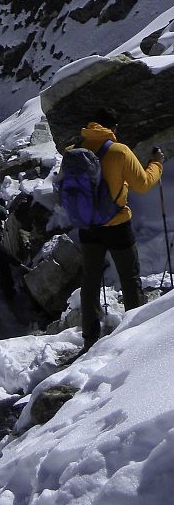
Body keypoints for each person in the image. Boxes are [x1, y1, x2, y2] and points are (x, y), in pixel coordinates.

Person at [72, 109, 164, 349]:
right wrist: (157, 164)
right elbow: (143, 184)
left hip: (88, 225)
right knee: (129, 277)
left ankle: (90, 337)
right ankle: (136, 334)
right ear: (112, 126)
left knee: (90, 280)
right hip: (117, 224)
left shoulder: (73, 151)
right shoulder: (119, 150)